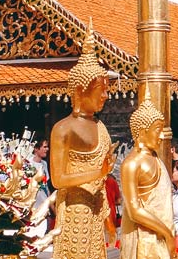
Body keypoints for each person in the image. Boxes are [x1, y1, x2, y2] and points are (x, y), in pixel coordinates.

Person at [49, 32, 115, 259]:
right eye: (101, 90)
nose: (105, 96)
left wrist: (108, 218)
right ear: (80, 90)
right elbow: (58, 180)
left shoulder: (100, 126)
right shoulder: (63, 129)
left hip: (97, 208)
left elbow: (103, 181)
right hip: (75, 209)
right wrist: (97, 172)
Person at [120, 100, 175, 259]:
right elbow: (134, 211)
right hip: (145, 240)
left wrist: (168, 234)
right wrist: (167, 233)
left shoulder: (156, 158)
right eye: (158, 130)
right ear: (143, 132)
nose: (163, 135)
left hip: (161, 236)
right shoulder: (131, 164)